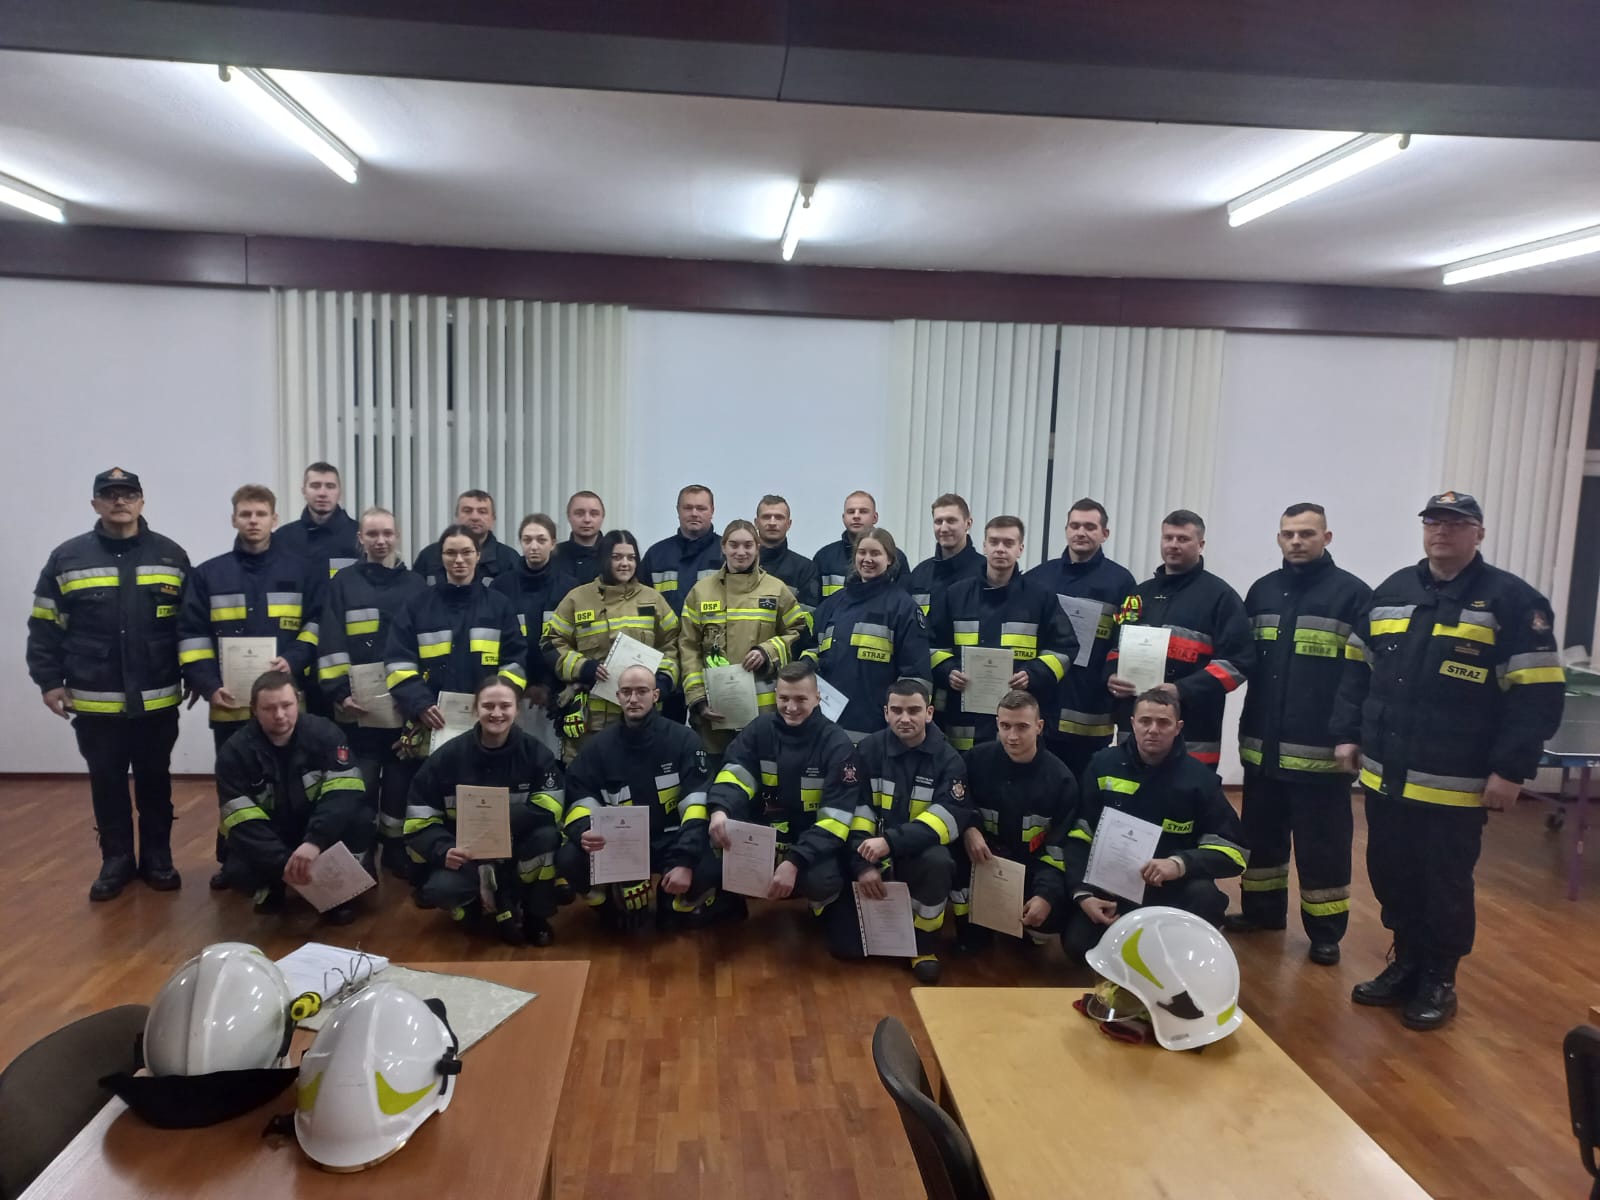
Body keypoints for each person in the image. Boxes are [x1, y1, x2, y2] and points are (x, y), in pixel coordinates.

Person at [1332, 491, 1564, 1030]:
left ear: (1478, 533)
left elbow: (1536, 695)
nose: (1442, 531)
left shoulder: (1512, 601)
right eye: (1434, 522)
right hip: (1386, 776)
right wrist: (1346, 734)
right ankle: (1406, 963)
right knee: (1391, 875)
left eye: (1456, 524)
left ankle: (1439, 978)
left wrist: (1511, 769)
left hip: (1457, 784)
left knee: (1444, 884)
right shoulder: (1393, 591)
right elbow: (1355, 669)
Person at [27, 467, 191, 901]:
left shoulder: (171, 556)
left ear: (142, 501)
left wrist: (197, 674)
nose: (120, 501)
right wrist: (48, 681)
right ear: (95, 503)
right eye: (110, 494)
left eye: (128, 494)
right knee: (107, 783)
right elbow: (44, 625)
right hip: (95, 700)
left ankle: (157, 857)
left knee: (156, 781)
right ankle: (115, 859)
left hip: (156, 697)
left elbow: (190, 625)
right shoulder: (67, 558)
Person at [1226, 503, 1372, 965]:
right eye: (1288, 533)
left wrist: (1351, 734)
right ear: (1278, 538)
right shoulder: (1262, 591)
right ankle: (1262, 912)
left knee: (1322, 848)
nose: (1296, 541)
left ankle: (1325, 932)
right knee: (1261, 840)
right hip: (1263, 749)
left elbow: (1361, 677)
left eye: (1306, 533)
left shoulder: (1352, 595)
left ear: (1326, 538)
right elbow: (1242, 659)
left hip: (1322, 754)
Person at [179, 484, 323, 889]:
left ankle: (289, 855)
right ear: (234, 519)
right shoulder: (209, 574)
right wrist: (208, 685)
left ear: (275, 519)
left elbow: (316, 624)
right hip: (230, 702)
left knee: (292, 783)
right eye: (246, 514)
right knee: (235, 786)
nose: (254, 521)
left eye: (261, 514)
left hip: (285, 704)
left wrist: (293, 659)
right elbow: (191, 635)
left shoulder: (302, 570)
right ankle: (233, 857)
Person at [1061, 690, 1248, 960]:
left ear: (1178, 727)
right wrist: (1083, 893)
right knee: (1078, 948)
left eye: (1163, 723)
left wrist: (1179, 864)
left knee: (1205, 897)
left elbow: (1234, 852)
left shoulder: (1200, 780)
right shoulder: (1102, 765)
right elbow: (1079, 834)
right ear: (1132, 723)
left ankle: (1173, 951)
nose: (1153, 730)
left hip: (1172, 890)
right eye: (1145, 721)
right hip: (1113, 889)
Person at [557, 664, 724, 931]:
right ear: (618, 696)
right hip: (617, 844)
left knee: (712, 865)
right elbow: (579, 794)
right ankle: (607, 905)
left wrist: (684, 861)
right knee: (568, 858)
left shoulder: (683, 740)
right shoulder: (598, 747)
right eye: (626, 692)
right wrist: (584, 830)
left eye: (642, 691)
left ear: (655, 695)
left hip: (671, 841)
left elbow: (697, 805)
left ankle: (673, 903)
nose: (633, 699)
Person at [404, 677, 564, 945]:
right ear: (474, 709)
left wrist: (503, 822)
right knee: (441, 889)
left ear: (517, 710)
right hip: (466, 855)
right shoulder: (446, 758)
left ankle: (535, 915)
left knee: (547, 837)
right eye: (488, 706)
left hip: (517, 848)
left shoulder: (537, 754)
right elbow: (418, 819)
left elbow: (551, 806)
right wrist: (444, 849)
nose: (497, 713)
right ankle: (471, 907)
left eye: (505, 706)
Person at [314, 506, 427, 877]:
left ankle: (394, 849)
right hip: (356, 709)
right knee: (358, 784)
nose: (381, 541)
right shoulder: (342, 583)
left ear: (397, 536)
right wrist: (339, 692)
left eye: (387, 533)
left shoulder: (416, 585)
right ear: (360, 538)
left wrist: (418, 698)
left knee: (399, 783)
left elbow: (424, 645)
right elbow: (331, 640)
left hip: (402, 708)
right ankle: (360, 854)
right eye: (373, 534)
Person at [215, 671, 374, 924]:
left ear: (298, 700)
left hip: (318, 833)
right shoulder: (234, 753)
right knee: (238, 872)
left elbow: (345, 794)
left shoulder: (325, 734)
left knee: (361, 821)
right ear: (254, 709)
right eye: (269, 708)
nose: (279, 715)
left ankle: (337, 897)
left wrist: (315, 841)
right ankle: (276, 887)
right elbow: (243, 822)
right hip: (273, 837)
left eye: (286, 705)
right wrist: (284, 863)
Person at [707, 661, 855, 921]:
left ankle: (823, 909)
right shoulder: (759, 730)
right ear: (776, 695)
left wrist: (795, 861)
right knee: (708, 859)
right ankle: (733, 899)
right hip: (764, 834)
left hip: (810, 841)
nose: (791, 707)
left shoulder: (836, 744)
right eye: (784, 698)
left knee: (822, 880)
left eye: (801, 699)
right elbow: (735, 773)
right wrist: (721, 810)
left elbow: (835, 820)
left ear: (817, 697)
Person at [1106, 509, 1252, 771]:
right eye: (1168, 538)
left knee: (1187, 794)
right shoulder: (1139, 594)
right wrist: (1112, 675)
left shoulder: (1221, 597)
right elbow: (1117, 648)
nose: (1173, 545)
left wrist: (1181, 690)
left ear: (1201, 544)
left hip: (1194, 732)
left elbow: (1238, 664)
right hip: (1136, 731)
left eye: (1183, 539)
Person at [845, 678, 969, 983]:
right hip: (873, 855)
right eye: (897, 710)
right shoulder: (868, 750)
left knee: (940, 862)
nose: (905, 718)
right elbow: (857, 810)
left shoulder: (949, 760)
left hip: (919, 854)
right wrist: (863, 866)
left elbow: (948, 819)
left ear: (929, 713)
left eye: (914, 710)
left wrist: (890, 842)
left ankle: (923, 947)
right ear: (886, 713)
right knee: (844, 948)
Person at [928, 515, 1074, 753]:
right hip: (964, 723)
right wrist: (948, 671)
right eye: (994, 542)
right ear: (984, 546)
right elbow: (931, 645)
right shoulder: (955, 595)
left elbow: (1065, 649)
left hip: (1018, 721)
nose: (1000, 549)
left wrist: (1033, 674)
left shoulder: (1041, 598)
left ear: (1020, 549)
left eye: (1008, 543)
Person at [384, 524, 528, 752]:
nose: (459, 560)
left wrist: (497, 705)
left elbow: (515, 663)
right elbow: (398, 664)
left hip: (489, 720)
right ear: (441, 558)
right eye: (451, 553)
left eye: (466, 552)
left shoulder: (500, 606)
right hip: (430, 722)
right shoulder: (416, 607)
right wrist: (420, 704)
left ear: (478, 556)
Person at [951, 690, 1075, 952]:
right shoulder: (974, 761)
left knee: (1050, 918)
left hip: (1029, 870)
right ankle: (972, 921)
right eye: (1005, 726)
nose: (1012, 736)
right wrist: (970, 828)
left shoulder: (1061, 780)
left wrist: (1045, 895)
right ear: (997, 724)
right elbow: (955, 801)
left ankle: (1025, 921)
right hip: (979, 864)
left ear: (1039, 726)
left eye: (1022, 727)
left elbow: (1059, 848)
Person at [1024, 497, 1138, 779]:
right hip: (1043, 701)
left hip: (1091, 704)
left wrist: (1114, 673)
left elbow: (1128, 638)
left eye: (1090, 526)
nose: (1081, 532)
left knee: (1086, 786)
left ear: (1105, 533)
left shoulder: (1122, 582)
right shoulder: (1038, 577)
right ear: (1066, 530)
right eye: (1075, 526)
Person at [545, 530, 680, 762]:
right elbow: (550, 643)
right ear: (603, 559)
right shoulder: (578, 598)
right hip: (591, 720)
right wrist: (583, 667)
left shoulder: (653, 600)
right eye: (617, 557)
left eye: (631, 557)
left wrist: (664, 679)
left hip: (642, 718)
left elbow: (673, 643)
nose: (625, 563)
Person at [680, 520, 809, 757]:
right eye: (734, 545)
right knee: (716, 774)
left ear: (758, 547)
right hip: (714, 713)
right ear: (723, 547)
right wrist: (697, 698)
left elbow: (799, 634)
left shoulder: (776, 590)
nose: (741, 552)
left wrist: (767, 651)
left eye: (748, 545)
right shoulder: (701, 591)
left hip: (764, 713)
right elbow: (688, 647)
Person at [801, 525, 930, 740]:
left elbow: (915, 675)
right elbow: (813, 647)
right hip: (827, 725)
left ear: (890, 559)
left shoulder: (903, 608)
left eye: (875, 553)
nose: (867, 559)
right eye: (862, 552)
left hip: (877, 729)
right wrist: (806, 663)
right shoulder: (833, 604)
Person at [490, 513, 576, 751]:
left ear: (553, 543)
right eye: (527, 540)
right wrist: (522, 686)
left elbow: (572, 642)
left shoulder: (570, 587)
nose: (534, 546)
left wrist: (548, 686)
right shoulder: (502, 587)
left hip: (558, 694)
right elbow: (500, 643)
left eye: (541, 539)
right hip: (514, 691)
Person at [640, 484, 724, 614]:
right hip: (667, 628)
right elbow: (641, 603)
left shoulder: (727, 553)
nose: (694, 513)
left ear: (712, 511)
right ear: (678, 510)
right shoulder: (656, 555)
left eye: (701, 508)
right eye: (688, 508)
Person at [813, 490, 910, 599]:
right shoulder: (824, 557)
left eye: (863, 511)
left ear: (875, 517)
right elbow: (815, 603)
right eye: (851, 512)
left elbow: (903, 601)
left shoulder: (896, 557)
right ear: (843, 518)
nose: (856, 516)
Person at [412, 490, 521, 585]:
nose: (475, 517)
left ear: (493, 518)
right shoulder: (429, 556)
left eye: (482, 512)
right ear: (457, 516)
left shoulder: (509, 559)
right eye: (467, 511)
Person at [273, 462, 360, 580]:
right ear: (304, 491)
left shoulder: (360, 536)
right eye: (315, 486)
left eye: (330, 486)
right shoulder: (283, 538)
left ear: (340, 493)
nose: (322, 493)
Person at [908, 492, 986, 618]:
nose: (944, 529)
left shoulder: (986, 573)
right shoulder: (919, 574)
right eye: (938, 522)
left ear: (968, 523)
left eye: (951, 521)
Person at [755, 494, 820, 611]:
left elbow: (808, 615)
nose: (772, 522)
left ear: (789, 524)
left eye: (779, 517)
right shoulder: (740, 563)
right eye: (766, 517)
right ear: (756, 522)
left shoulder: (805, 569)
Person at [554, 490, 606, 585]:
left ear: (602, 517)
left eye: (594, 514)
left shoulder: (614, 555)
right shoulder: (553, 555)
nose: (587, 519)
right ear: (568, 516)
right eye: (579, 513)